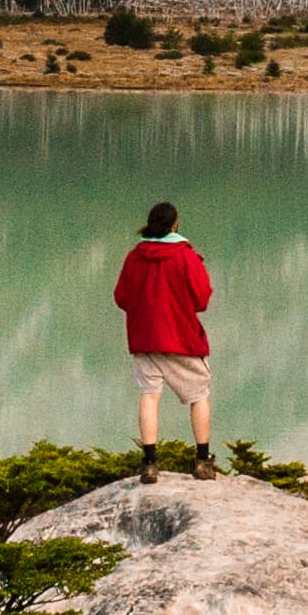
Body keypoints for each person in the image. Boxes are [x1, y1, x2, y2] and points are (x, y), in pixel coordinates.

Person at [115, 199, 213, 477]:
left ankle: (149, 462)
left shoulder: (135, 257)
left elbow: (121, 297)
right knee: (199, 394)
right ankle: (203, 460)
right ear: (174, 224)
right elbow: (202, 299)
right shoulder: (186, 256)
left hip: (145, 340)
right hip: (182, 339)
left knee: (149, 395)